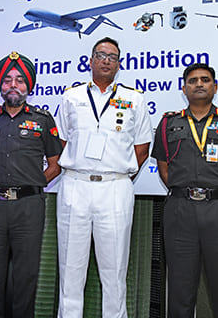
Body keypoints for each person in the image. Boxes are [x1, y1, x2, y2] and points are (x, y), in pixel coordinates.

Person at [151, 63, 218, 318]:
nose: (199, 84)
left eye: (205, 80)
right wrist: (189, 194)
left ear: (215, 86)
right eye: (192, 80)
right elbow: (164, 169)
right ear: (184, 88)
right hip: (180, 211)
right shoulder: (168, 123)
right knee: (179, 288)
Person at [56, 37, 153, 318]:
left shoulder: (134, 99)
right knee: (71, 270)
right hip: (75, 185)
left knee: (114, 271)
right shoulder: (71, 96)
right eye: (101, 55)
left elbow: (142, 148)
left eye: (112, 56)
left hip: (115, 188)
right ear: (91, 60)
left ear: (119, 64)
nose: (107, 60)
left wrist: (117, 172)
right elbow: (62, 141)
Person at [0, 51, 62, 318]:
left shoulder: (43, 120)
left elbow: (55, 164)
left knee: (26, 277)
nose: (14, 85)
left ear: (29, 86)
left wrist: (30, 185)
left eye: (20, 80)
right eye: (8, 80)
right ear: (0, 86)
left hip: (28, 208)